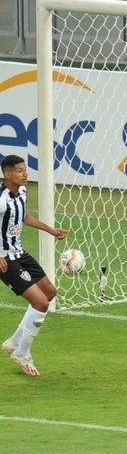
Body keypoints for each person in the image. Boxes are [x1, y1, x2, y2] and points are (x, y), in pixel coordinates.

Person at [1, 154, 69, 377]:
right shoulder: (1, 199)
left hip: (20, 252)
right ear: (7, 174)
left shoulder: (21, 192)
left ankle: (16, 340)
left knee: (49, 293)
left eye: (25, 169)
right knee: (40, 303)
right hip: (5, 259)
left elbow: (24, 217)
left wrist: (50, 230)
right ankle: (22, 353)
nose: (25, 174)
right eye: (20, 170)